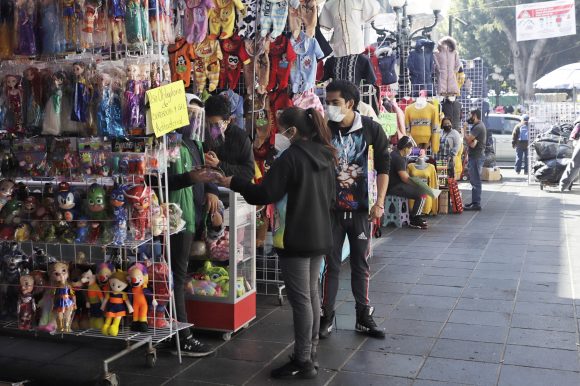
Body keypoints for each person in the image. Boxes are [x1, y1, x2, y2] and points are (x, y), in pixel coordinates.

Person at [217, 107, 336, 379]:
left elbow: (265, 194)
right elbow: (331, 197)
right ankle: (311, 353)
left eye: (280, 130)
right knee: (312, 295)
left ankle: (304, 359)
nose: (277, 135)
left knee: (302, 300)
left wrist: (234, 182)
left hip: (295, 236)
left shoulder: (290, 157)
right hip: (320, 234)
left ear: (292, 131)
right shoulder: (326, 154)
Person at [320, 80, 390, 339]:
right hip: (330, 211)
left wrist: (379, 202)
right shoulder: (324, 129)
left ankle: (363, 316)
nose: (330, 108)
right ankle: (325, 316)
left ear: (350, 103)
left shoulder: (371, 128)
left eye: (335, 103)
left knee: (361, 264)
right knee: (331, 266)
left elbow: (384, 167)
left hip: (362, 211)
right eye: (327, 102)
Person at [161, 95, 218, 357]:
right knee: (175, 276)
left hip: (192, 214)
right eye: (189, 113)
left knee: (180, 274)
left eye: (197, 114)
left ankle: (176, 330)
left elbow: (202, 172)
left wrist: (210, 188)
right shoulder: (167, 144)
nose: (194, 119)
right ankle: (182, 336)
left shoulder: (194, 141)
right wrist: (189, 178)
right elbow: (160, 182)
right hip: (173, 217)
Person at [203, 95, 255, 182]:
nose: (212, 129)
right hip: (206, 186)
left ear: (228, 120)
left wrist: (219, 164)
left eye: (216, 125)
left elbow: (249, 172)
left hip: (231, 190)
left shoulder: (241, 138)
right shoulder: (202, 134)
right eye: (208, 124)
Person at [387, 136, 429, 229]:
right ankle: (415, 218)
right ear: (405, 148)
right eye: (410, 148)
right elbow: (405, 178)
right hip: (395, 186)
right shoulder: (398, 158)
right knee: (423, 193)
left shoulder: (395, 154)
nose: (411, 150)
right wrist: (418, 184)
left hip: (394, 184)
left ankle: (414, 215)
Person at [463, 109, 487, 211]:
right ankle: (474, 202)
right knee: (474, 180)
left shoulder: (478, 127)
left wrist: (464, 130)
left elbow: (469, 140)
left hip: (476, 157)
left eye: (470, 115)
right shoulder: (478, 126)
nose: (469, 117)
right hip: (475, 156)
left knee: (475, 180)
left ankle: (476, 203)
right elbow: (472, 143)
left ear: (475, 115)